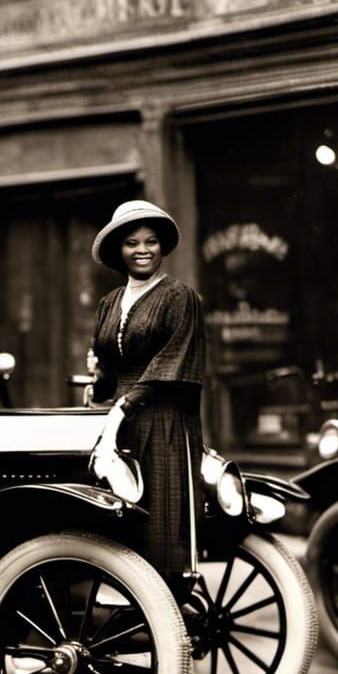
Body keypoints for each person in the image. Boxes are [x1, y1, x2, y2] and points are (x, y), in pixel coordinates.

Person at [88, 199, 206, 590]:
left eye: (151, 241)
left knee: (160, 517)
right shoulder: (108, 304)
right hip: (120, 421)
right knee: (118, 512)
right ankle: (122, 597)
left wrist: (125, 404)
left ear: (162, 247)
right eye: (132, 243)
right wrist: (99, 388)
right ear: (118, 251)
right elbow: (109, 365)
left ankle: (165, 600)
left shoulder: (179, 297)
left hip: (163, 418)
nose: (142, 250)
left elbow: (173, 363)